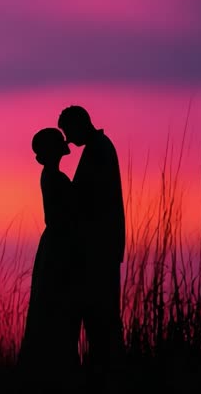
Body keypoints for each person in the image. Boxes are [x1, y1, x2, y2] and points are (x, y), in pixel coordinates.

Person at [58, 105, 125, 374]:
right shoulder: (100, 148)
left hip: (99, 249)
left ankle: (108, 371)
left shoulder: (98, 151)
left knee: (102, 315)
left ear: (79, 124)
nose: (69, 141)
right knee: (102, 315)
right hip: (101, 247)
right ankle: (107, 368)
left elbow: (87, 199)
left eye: (69, 132)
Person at [19, 127, 81, 375]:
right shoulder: (57, 179)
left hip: (54, 245)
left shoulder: (51, 177)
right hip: (59, 247)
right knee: (57, 305)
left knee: (48, 306)